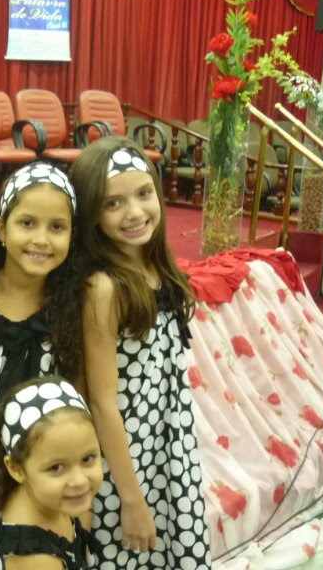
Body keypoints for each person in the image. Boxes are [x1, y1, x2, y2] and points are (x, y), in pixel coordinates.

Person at [68, 136, 211, 569]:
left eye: (144, 194)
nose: (134, 212)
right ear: (91, 213)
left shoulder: (155, 267)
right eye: (113, 203)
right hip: (126, 460)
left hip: (165, 442)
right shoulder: (104, 287)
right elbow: (102, 401)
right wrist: (131, 498)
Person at [0, 162, 82, 567]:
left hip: (41, 487)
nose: (41, 239)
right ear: (2, 229)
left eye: (57, 227)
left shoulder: (71, 311)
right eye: (27, 223)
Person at [0, 376, 104, 569]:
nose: (79, 480)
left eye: (88, 458)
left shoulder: (40, 495)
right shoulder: (37, 560)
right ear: (16, 468)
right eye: (56, 467)